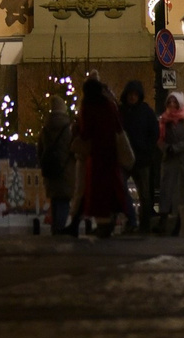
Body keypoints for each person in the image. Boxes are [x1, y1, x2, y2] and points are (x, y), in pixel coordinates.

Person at [77, 76, 128, 238]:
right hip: (111, 152)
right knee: (111, 188)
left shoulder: (88, 106)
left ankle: (102, 224)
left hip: (97, 153)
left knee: (97, 191)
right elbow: (117, 124)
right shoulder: (109, 105)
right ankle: (111, 220)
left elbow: (85, 132)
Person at [37, 83, 79, 237]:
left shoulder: (45, 129)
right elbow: (74, 148)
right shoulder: (68, 128)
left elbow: (40, 149)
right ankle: (60, 230)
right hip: (66, 172)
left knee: (55, 201)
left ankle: (56, 228)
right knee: (64, 202)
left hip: (51, 171)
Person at [121, 79, 162, 234]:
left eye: (135, 95)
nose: (132, 97)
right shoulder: (123, 111)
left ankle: (144, 224)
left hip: (141, 158)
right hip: (127, 158)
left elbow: (154, 131)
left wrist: (147, 149)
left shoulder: (145, 111)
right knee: (122, 188)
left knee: (145, 193)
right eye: (130, 95)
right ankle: (131, 220)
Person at [158, 90, 184, 229]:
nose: (172, 104)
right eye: (169, 101)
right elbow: (159, 138)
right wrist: (166, 148)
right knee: (167, 189)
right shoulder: (164, 119)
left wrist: (174, 148)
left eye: (175, 101)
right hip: (170, 159)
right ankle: (165, 219)